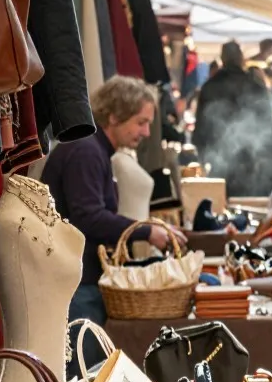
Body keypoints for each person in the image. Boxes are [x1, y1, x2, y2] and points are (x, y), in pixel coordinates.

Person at [42, 76, 186, 325]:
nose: (146, 132)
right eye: (141, 122)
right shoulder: (86, 152)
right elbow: (88, 217)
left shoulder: (93, 150)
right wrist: (147, 231)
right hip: (78, 281)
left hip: (81, 276)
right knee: (84, 360)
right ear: (114, 116)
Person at [192, 41, 272, 197]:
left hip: (218, 160)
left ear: (222, 59)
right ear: (241, 58)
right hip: (249, 160)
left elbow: (200, 130)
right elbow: (268, 118)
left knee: (221, 203)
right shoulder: (254, 84)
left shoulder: (210, 86)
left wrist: (202, 158)